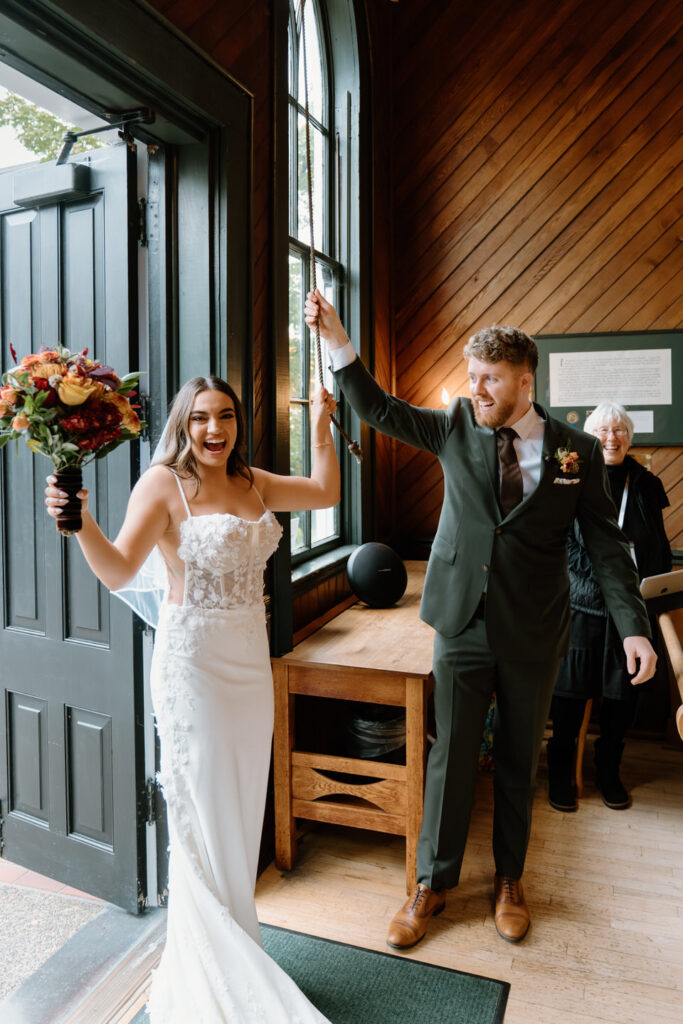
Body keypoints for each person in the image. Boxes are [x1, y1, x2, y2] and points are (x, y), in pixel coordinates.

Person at [304, 290, 657, 948]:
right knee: (449, 757)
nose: (475, 388)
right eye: (471, 376)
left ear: (526, 379)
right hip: (460, 622)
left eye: (488, 378)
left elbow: (607, 549)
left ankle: (508, 880)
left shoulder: (573, 452)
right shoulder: (454, 425)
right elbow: (376, 408)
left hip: (533, 632)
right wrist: (335, 339)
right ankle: (429, 885)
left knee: (522, 761)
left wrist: (632, 626)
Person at [45, 375, 339, 1023]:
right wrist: (81, 521)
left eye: (226, 417)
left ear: (238, 422)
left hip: (248, 667)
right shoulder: (165, 486)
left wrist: (321, 424)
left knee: (239, 807)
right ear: (183, 423)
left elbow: (325, 491)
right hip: (192, 667)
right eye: (202, 417)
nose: (214, 430)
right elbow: (122, 570)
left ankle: (240, 945)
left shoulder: (254, 482)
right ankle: (208, 965)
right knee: (201, 811)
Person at [548, 403, 672, 813]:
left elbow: (658, 546)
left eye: (619, 430)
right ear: (588, 437)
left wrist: (643, 589)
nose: (611, 437)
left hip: (628, 612)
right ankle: (561, 772)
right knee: (568, 696)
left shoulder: (646, 484)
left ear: (629, 438)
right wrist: (600, 582)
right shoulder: (569, 475)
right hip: (579, 606)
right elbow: (560, 543)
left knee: (623, 698)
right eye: (602, 430)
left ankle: (607, 770)